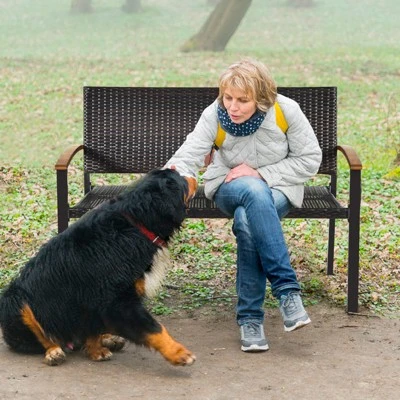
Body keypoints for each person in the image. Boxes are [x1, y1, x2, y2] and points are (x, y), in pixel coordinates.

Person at [165, 58, 322, 352]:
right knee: (251, 189)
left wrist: (261, 173)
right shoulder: (214, 114)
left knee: (248, 219)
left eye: (242, 100)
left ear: (261, 98)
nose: (232, 107)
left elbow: (310, 159)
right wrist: (169, 178)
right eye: (228, 98)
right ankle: (287, 292)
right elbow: (187, 155)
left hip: (279, 187)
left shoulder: (285, 110)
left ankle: (250, 318)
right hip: (228, 185)